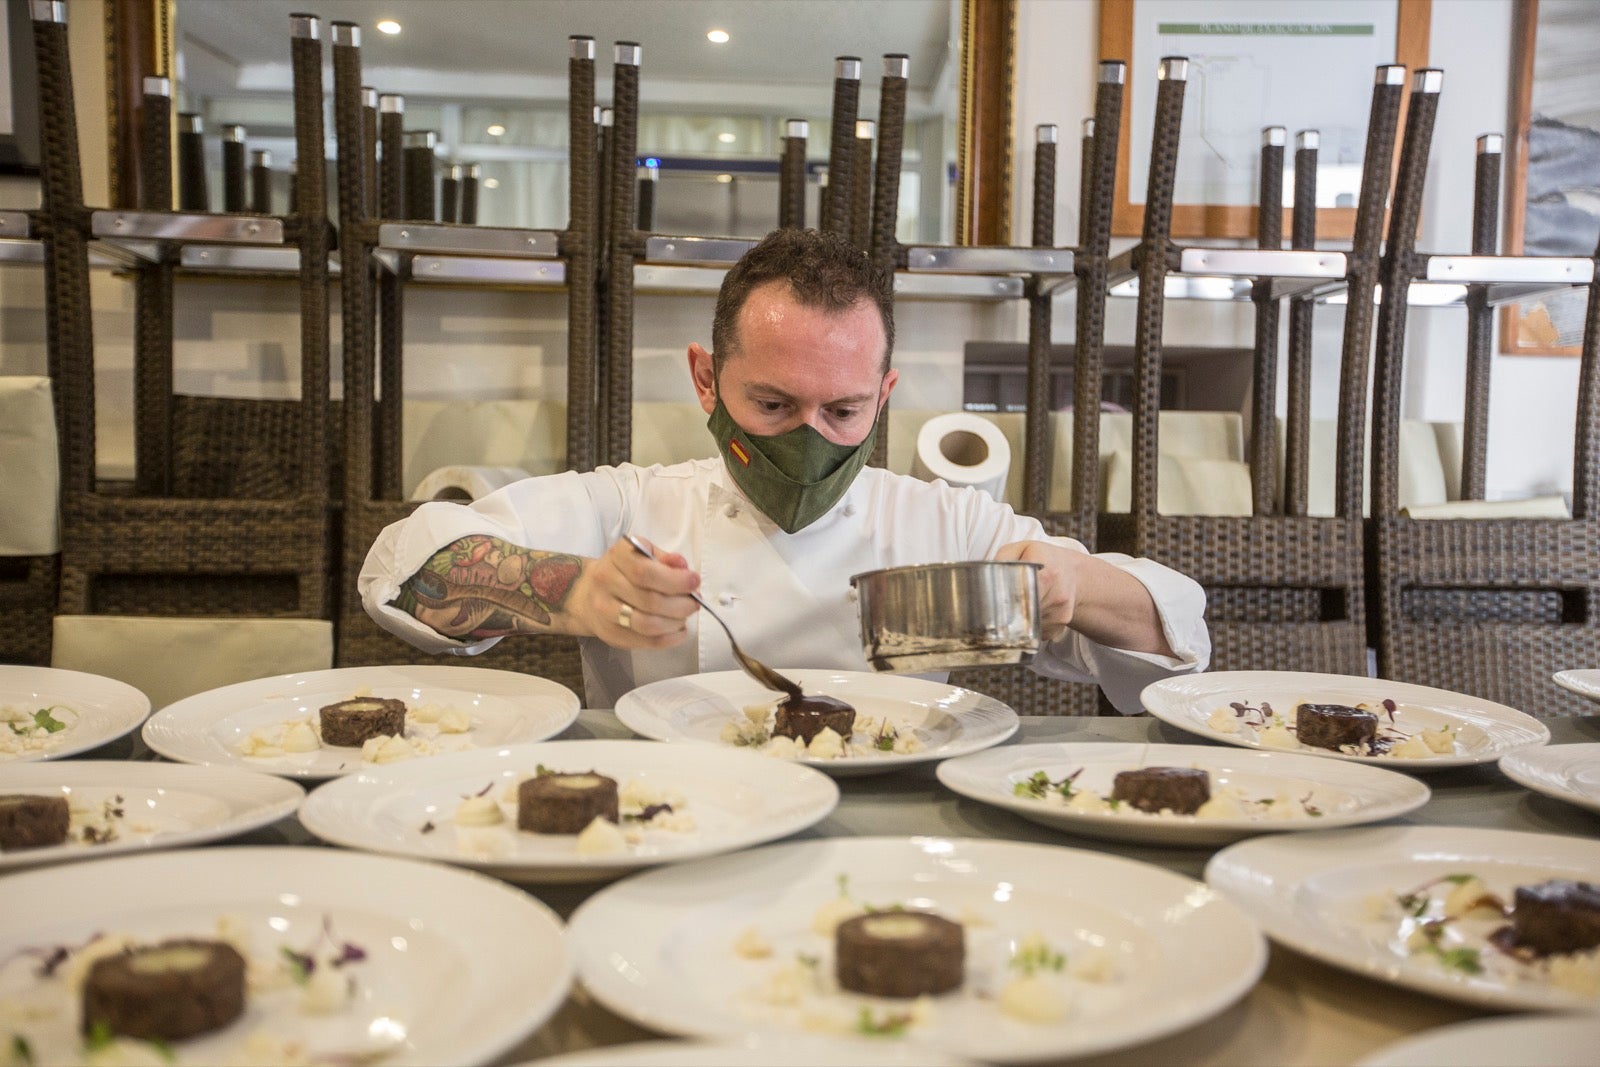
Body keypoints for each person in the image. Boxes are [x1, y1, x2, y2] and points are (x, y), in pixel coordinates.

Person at [360, 228, 1209, 711]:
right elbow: (409, 562)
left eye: (842, 411)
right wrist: (568, 590)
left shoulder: (945, 523)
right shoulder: (632, 503)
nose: (808, 438)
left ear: (885, 394)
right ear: (705, 378)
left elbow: (1177, 640)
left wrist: (1071, 583)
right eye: (772, 404)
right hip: (672, 814)